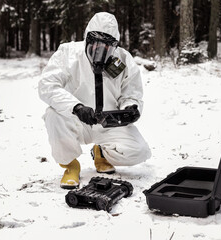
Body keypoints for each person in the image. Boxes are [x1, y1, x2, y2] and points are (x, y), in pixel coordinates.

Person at [38, 12, 151, 189]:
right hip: (75, 121)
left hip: (109, 123)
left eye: (106, 46)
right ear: (87, 39)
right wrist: (76, 107)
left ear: (114, 45)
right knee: (53, 115)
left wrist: (130, 107)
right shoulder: (68, 53)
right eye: (95, 43)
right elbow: (47, 85)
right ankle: (70, 165)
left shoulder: (123, 59)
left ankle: (102, 154)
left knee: (140, 151)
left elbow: (131, 93)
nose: (99, 50)